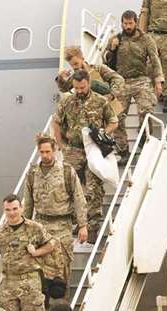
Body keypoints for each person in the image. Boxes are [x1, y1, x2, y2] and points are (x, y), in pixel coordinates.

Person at [52, 69, 118, 243]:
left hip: (93, 150)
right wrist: (61, 146)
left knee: (93, 188)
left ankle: (92, 227)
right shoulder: (67, 101)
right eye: (76, 88)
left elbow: (114, 121)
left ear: (88, 83)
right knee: (70, 187)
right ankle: (75, 223)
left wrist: (102, 133)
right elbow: (56, 122)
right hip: (73, 150)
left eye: (82, 87)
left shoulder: (100, 101)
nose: (79, 91)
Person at [23, 133, 87, 296]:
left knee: (63, 269)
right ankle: (43, 307)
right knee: (39, 270)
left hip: (62, 227)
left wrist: (83, 225)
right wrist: (24, 228)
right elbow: (28, 202)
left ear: (55, 150)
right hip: (40, 226)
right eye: (42, 152)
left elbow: (79, 198)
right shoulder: (32, 173)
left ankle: (63, 310)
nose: (45, 155)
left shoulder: (66, 171)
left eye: (48, 152)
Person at [104, 10, 164, 159]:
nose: (128, 26)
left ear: (136, 23)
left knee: (147, 110)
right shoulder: (116, 38)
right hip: (121, 81)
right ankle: (123, 151)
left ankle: (144, 137)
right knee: (116, 117)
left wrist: (158, 81)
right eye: (125, 23)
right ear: (122, 23)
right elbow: (104, 59)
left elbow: (155, 60)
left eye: (130, 23)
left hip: (141, 80)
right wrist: (112, 48)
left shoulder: (146, 39)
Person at [56, 46, 127, 160]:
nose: (75, 67)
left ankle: (123, 154)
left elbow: (118, 79)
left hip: (110, 106)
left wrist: (111, 95)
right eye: (72, 65)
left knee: (118, 134)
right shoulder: (76, 76)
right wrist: (61, 78)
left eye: (76, 63)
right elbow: (64, 88)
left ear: (82, 58)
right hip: (93, 113)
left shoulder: (98, 69)